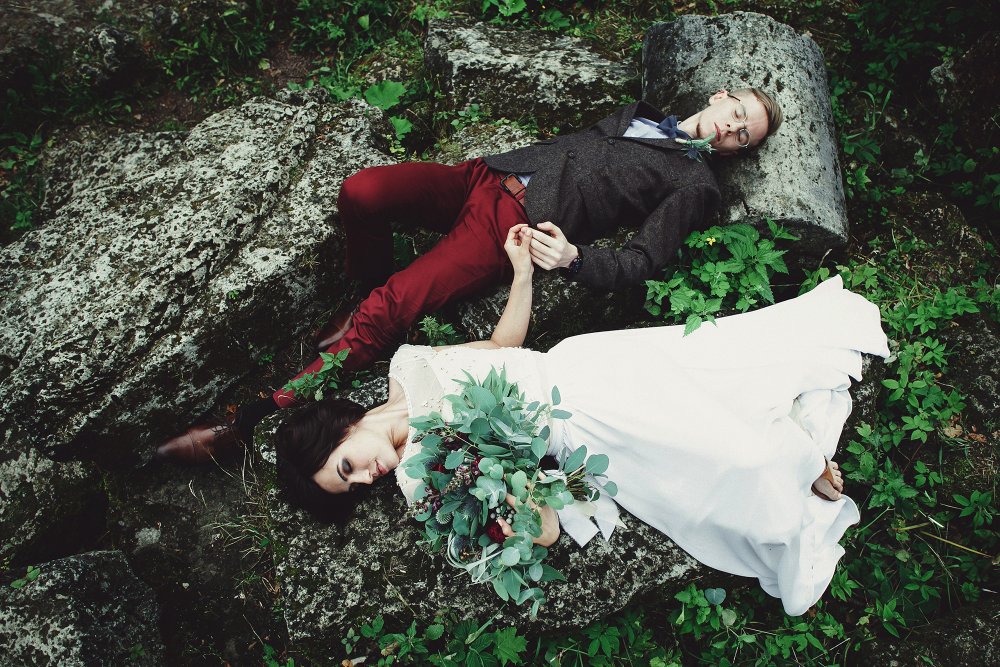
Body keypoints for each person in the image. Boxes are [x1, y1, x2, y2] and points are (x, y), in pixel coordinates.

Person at [274, 224, 890, 616]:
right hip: (584, 430)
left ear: (340, 430)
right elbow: (540, 532)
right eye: (355, 487)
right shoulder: (422, 479)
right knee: (726, 456)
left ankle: (797, 445)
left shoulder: (408, 364)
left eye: (346, 467)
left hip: (581, 364)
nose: (368, 478)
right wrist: (518, 497)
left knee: (718, 375)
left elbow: (503, 347)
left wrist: (521, 274)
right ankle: (798, 461)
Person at [157, 88, 784, 463]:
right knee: (363, 192)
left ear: (739, 150)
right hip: (484, 174)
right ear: (720, 96)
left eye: (743, 137)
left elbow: (642, 263)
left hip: (509, 225)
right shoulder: (638, 112)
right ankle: (363, 295)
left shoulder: (694, 184)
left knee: (392, 309)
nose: (731, 129)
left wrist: (573, 258)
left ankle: (251, 417)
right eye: (736, 113)